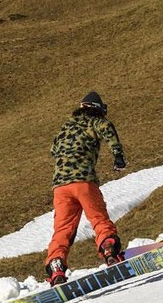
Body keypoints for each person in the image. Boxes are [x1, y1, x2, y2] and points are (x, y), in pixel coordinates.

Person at [45, 91, 127, 285]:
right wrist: (118, 156)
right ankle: (109, 249)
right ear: (98, 109)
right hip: (84, 182)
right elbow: (106, 128)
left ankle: (56, 266)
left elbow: (53, 150)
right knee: (99, 219)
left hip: (60, 187)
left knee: (62, 229)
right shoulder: (94, 122)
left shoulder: (65, 127)